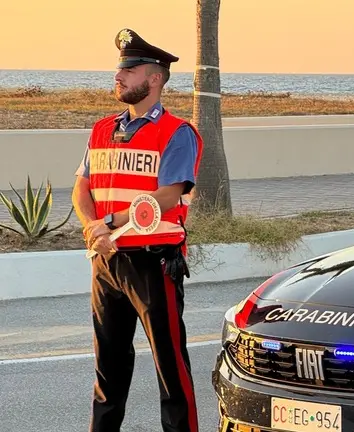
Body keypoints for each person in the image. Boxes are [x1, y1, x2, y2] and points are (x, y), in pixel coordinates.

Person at [72, 28, 203, 432]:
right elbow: (82, 185)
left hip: (152, 262)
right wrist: (93, 227)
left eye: (130, 70)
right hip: (107, 261)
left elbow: (167, 195)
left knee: (170, 368)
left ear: (155, 79)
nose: (119, 76)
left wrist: (109, 224)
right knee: (107, 371)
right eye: (119, 69)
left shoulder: (177, 133)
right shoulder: (101, 129)